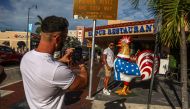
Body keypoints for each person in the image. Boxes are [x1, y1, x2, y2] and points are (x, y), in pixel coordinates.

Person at [20, 16, 88, 109]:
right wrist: (82, 65)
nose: (65, 40)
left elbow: (43, 67)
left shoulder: (26, 57)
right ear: (58, 39)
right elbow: (83, 83)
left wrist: (60, 60)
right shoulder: (57, 70)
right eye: (65, 37)